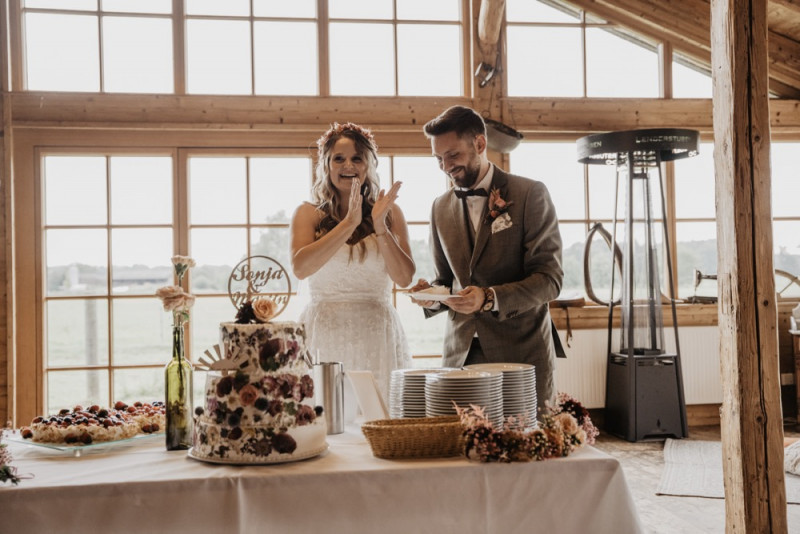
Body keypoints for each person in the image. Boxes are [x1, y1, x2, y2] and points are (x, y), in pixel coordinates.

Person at [410, 105, 564, 416]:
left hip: (520, 352)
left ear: (480, 144)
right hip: (460, 356)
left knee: (524, 454)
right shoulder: (439, 208)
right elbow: (446, 280)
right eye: (438, 159)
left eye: (452, 155)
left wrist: (489, 298)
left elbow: (550, 280)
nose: (445, 166)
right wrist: (433, 297)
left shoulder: (529, 193)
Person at [291, 122, 415, 414]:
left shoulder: (391, 211)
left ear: (369, 164)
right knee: (325, 422)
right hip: (323, 334)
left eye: (357, 158)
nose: (348, 165)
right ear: (326, 165)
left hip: (378, 334)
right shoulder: (307, 214)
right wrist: (349, 223)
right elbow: (301, 268)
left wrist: (381, 226)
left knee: (379, 420)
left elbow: (404, 278)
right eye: (339, 158)